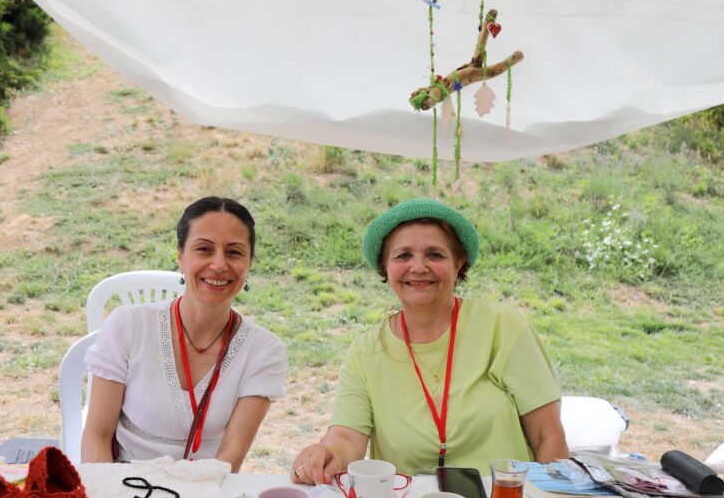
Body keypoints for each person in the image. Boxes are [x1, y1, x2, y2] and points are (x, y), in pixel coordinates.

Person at [291, 198, 567, 483]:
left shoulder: (502, 326)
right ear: (385, 267)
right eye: (403, 256)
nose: (419, 267)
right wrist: (329, 454)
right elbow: (347, 437)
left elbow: (548, 436)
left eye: (435, 255)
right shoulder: (365, 351)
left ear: (459, 263)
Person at [83, 197, 287, 470]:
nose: (219, 264)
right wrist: (109, 494)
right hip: (122, 483)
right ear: (181, 257)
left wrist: (192, 496)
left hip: (207, 487)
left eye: (234, 252)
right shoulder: (127, 326)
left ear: (249, 262)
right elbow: (97, 436)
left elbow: (231, 456)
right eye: (204, 249)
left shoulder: (265, 351)